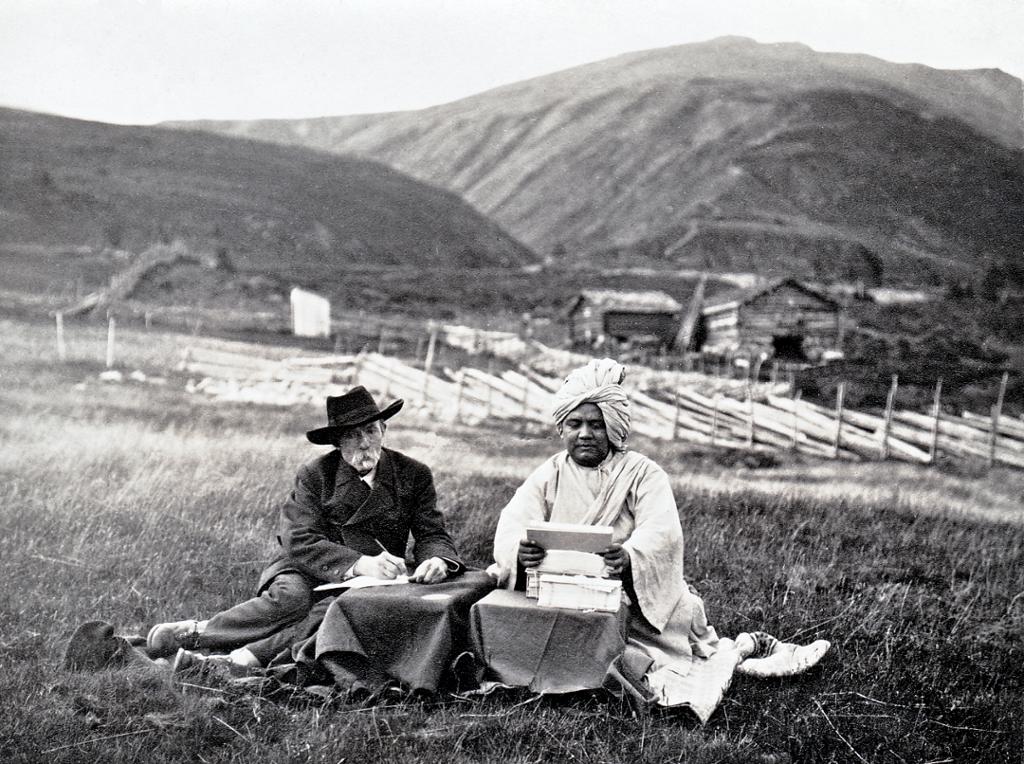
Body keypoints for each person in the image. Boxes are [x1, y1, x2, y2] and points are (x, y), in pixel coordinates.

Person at [489, 359, 828, 717]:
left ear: (615, 430)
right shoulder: (549, 474)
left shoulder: (642, 474)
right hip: (560, 589)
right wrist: (518, 551)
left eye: (596, 425)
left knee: (642, 652)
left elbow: (660, 531)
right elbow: (514, 521)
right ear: (562, 429)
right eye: (574, 424)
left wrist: (630, 557)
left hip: (629, 597)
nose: (584, 434)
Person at [147, 386, 464, 670]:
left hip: (377, 579)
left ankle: (239, 660)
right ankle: (199, 634)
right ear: (338, 442)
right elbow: (297, 538)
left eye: (371, 431)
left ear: (384, 429)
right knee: (294, 600)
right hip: (308, 566)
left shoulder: (414, 474)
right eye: (353, 435)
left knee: (333, 611)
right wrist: (358, 563)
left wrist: (437, 560)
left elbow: (432, 533)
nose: (364, 443)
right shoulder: (316, 475)